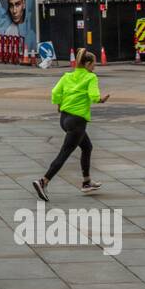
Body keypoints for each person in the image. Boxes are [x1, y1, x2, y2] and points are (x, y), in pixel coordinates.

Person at [32, 48, 109, 200]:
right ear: (87, 64)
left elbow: (55, 92)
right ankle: (43, 181)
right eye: (94, 64)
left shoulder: (68, 76)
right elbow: (94, 96)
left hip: (65, 119)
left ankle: (86, 182)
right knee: (65, 153)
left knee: (87, 147)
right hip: (78, 122)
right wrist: (101, 99)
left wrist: (59, 104)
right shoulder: (90, 77)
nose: (95, 67)